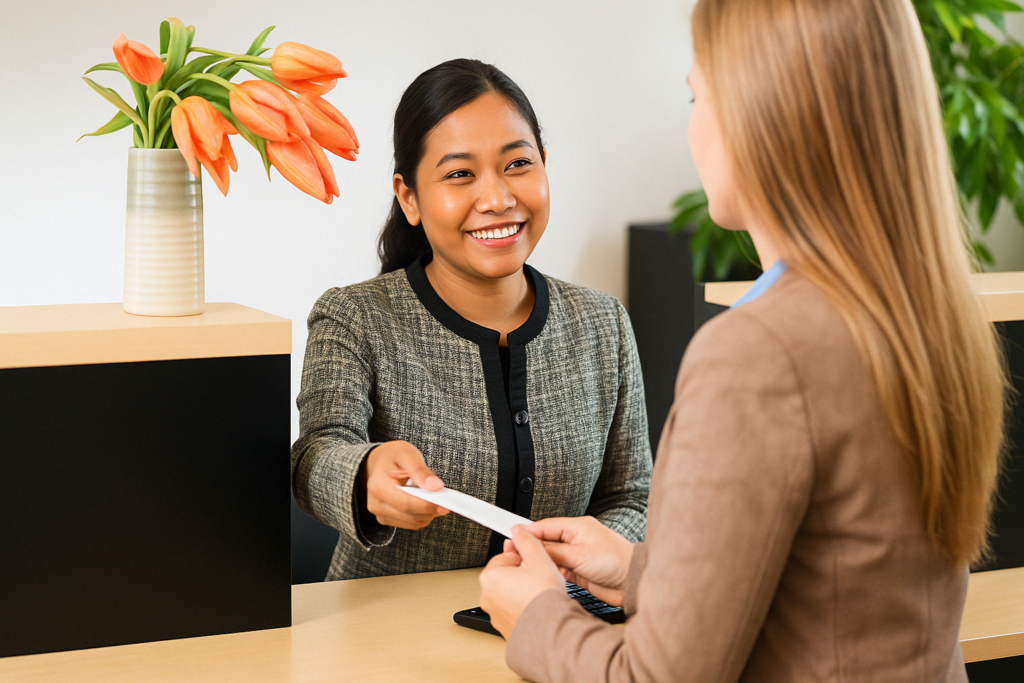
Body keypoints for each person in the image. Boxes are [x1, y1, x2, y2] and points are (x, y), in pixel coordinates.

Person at [478, 1, 1008, 681]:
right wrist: (646, 571)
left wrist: (539, 614)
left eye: (698, 96)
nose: (693, 127)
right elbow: (846, 590)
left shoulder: (760, 351)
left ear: (764, 114)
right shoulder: (923, 315)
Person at [290, 59, 652, 580]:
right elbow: (316, 455)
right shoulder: (355, 317)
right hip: (384, 642)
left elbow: (632, 497)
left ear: (544, 165)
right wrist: (364, 472)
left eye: (518, 164)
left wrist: (587, 554)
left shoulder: (603, 323)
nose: (498, 199)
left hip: (559, 628)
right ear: (409, 197)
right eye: (460, 174)